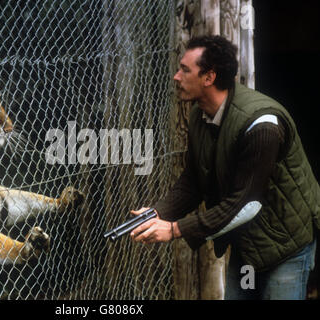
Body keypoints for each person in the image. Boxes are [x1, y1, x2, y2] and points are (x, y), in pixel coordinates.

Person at [130, 35, 319, 300]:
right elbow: (195, 180)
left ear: (209, 77)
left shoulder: (262, 125)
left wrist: (174, 229)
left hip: (283, 248)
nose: (176, 76)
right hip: (247, 250)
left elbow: (246, 205)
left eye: (185, 69)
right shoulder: (200, 114)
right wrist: (158, 213)